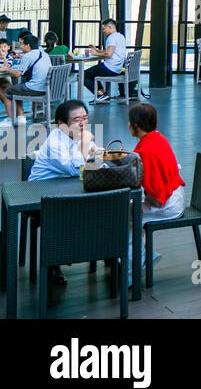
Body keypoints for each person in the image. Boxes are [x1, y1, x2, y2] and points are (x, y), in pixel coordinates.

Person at [30, 99, 100, 286]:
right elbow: (79, 169)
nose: (83, 123)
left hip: (70, 189)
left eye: (85, 118)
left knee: (106, 204)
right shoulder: (55, 143)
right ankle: (54, 263)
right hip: (42, 195)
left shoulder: (79, 135)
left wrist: (92, 150)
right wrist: (86, 145)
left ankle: (113, 254)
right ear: (61, 124)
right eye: (77, 120)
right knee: (63, 215)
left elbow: (96, 163)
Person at [127, 103, 186, 285]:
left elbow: (155, 193)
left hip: (168, 204)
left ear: (136, 125)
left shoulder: (145, 152)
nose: (128, 125)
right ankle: (143, 256)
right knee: (131, 212)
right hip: (175, 195)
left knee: (127, 218)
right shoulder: (158, 138)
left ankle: (132, 270)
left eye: (129, 122)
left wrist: (140, 206)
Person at [0, 31, 51, 126]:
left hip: (34, 88)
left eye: (22, 44)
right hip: (46, 88)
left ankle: (10, 119)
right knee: (16, 88)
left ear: (28, 46)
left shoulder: (28, 56)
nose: (21, 47)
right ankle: (20, 117)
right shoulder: (44, 54)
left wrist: (7, 69)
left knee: (7, 90)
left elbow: (17, 74)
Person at [84, 18, 129, 101]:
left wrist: (95, 53)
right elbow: (110, 51)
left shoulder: (111, 37)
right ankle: (102, 94)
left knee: (83, 75)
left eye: (104, 29)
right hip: (118, 68)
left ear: (109, 27)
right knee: (92, 72)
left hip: (110, 68)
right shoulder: (120, 36)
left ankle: (101, 95)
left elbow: (108, 54)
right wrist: (97, 50)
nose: (103, 31)